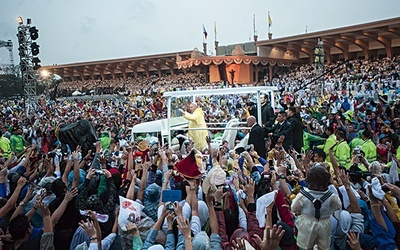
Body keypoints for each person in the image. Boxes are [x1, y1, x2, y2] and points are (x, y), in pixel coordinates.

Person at [291, 165, 342, 249]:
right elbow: (338, 205)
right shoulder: (330, 196)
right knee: (324, 246)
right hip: (324, 222)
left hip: (307, 223)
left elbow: (294, 208)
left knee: (306, 246)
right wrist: (328, 210)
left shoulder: (303, 195)